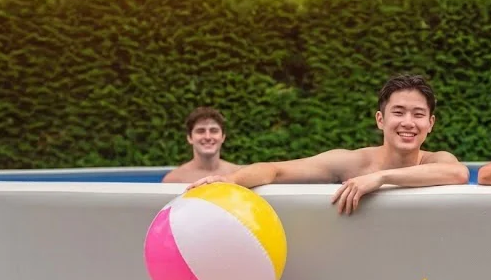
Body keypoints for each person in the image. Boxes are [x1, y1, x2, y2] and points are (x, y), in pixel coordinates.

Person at [187, 74, 469, 215]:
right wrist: (228, 182)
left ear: (430, 124)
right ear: (380, 119)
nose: (408, 122)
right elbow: (275, 170)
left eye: (418, 114)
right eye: (398, 112)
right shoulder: (352, 163)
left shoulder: (435, 160)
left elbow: (458, 174)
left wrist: (380, 178)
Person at [162, 106, 241, 183]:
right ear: (190, 138)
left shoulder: (238, 175)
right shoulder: (173, 180)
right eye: (200, 131)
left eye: (214, 131)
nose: (208, 137)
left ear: (223, 137)